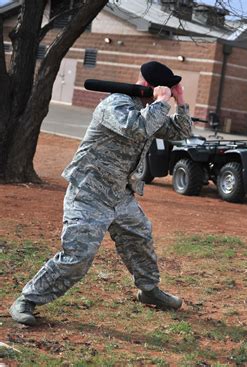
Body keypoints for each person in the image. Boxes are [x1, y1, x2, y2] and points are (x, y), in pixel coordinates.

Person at [10, 61, 192, 326]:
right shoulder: (115, 105)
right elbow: (136, 128)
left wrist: (181, 100)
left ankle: (149, 290)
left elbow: (181, 131)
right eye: (165, 87)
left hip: (120, 194)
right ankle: (27, 299)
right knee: (78, 256)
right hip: (89, 192)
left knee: (139, 238)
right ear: (149, 86)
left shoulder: (147, 110)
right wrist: (162, 103)